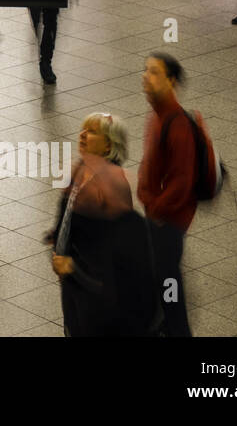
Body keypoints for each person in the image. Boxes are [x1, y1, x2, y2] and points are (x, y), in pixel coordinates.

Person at [48, 113, 161, 336]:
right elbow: (67, 218)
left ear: (108, 144)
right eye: (83, 129)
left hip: (98, 300)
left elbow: (111, 262)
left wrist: (74, 269)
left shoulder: (111, 186)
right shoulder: (80, 172)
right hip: (76, 289)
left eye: (91, 132)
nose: (82, 135)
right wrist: (57, 239)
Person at [137, 53, 201, 337]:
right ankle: (167, 326)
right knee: (162, 277)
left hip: (168, 221)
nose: (145, 76)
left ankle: (177, 330)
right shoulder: (156, 116)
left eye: (154, 72)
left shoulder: (177, 124)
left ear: (171, 81)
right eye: (145, 70)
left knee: (168, 281)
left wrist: (157, 209)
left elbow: (182, 182)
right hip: (158, 216)